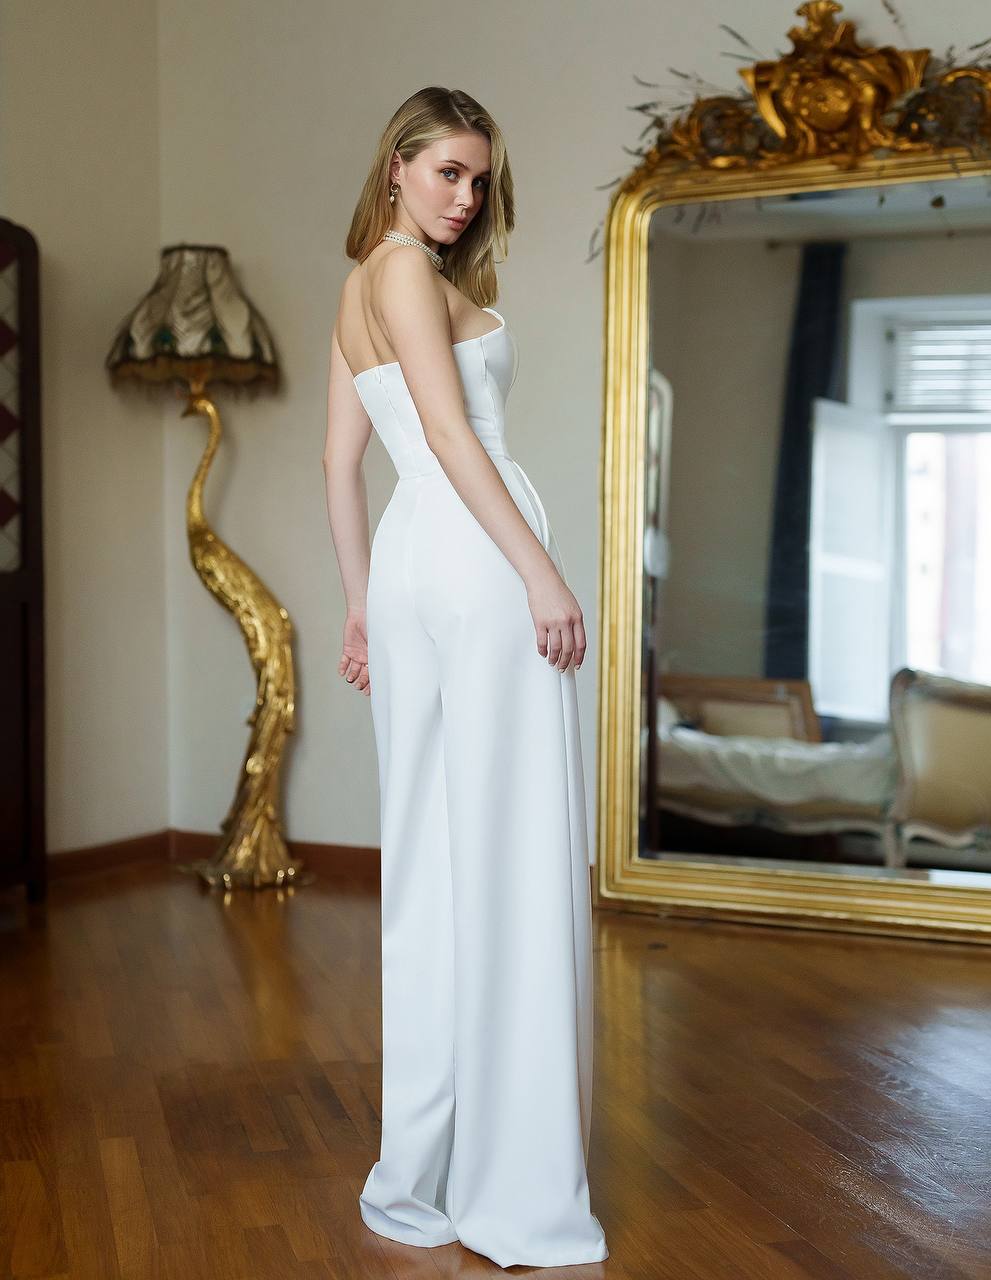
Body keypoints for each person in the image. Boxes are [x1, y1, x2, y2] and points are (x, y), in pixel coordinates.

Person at [322, 85, 609, 1270]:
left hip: (415, 569)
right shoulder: (402, 271)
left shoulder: (355, 282)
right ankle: (506, 1182)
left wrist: (357, 601)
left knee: (441, 864)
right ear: (395, 165)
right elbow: (446, 439)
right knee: (507, 858)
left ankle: (434, 1168)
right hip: (476, 564)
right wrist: (543, 573)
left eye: (478, 178)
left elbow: (344, 467)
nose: (465, 196)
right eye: (447, 170)